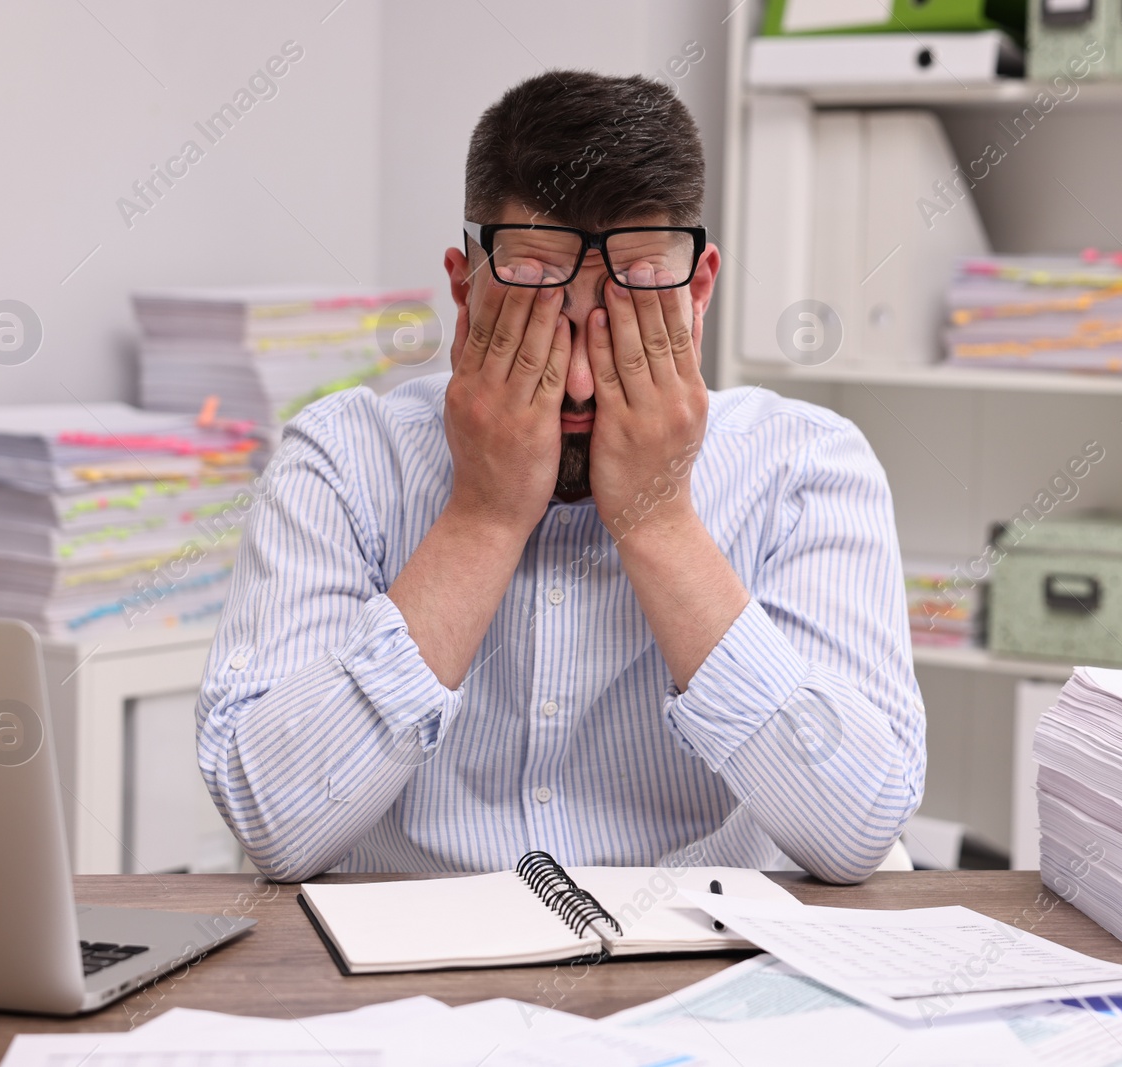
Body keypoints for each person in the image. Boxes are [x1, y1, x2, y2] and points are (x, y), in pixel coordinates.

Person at [196, 70, 924, 884]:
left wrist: (659, 521)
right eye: (540, 324)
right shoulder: (340, 460)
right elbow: (276, 825)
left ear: (699, 291)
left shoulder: (808, 466)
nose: (578, 382)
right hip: (400, 982)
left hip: (702, 974)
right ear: (465, 290)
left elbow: (857, 830)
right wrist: (482, 516)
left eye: (625, 331)